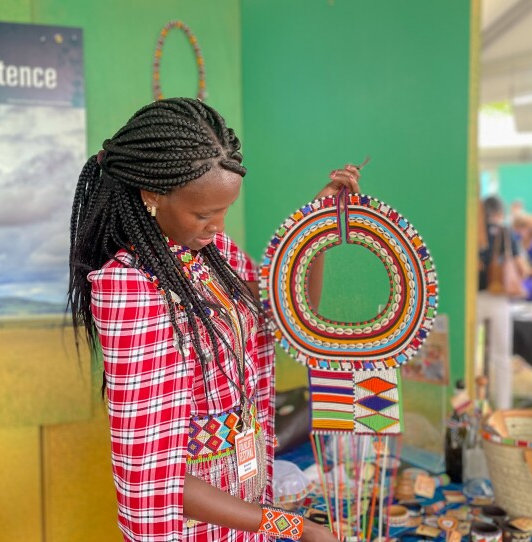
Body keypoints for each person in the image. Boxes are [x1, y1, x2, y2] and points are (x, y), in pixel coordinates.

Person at [67, 98, 358, 541]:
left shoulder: (211, 256)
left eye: (223, 212)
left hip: (243, 510)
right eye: (203, 214)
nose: (217, 227)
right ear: (152, 196)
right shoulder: (130, 288)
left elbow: (293, 310)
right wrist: (291, 526)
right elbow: (157, 478)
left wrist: (313, 228)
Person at [475, 195, 529, 409]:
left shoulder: (473, 233)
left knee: (470, 354)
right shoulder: (507, 233)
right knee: (501, 356)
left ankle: (469, 401)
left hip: (475, 298)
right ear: (499, 212)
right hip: (499, 299)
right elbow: (522, 268)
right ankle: (503, 407)